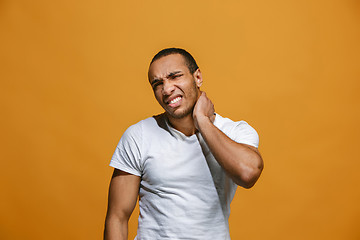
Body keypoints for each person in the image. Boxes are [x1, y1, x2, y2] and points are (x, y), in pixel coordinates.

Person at [104, 48, 264, 240]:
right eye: (158, 83)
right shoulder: (138, 136)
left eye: (175, 76)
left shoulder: (235, 131)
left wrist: (202, 121)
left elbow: (248, 173)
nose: (167, 89)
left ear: (197, 77)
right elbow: (117, 218)